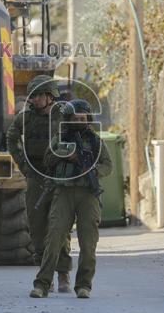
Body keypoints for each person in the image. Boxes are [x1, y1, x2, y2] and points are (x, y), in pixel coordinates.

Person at [30, 100, 112, 299]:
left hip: (87, 194)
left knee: (88, 242)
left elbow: (107, 165)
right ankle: (42, 284)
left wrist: (91, 170)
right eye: (75, 119)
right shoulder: (59, 139)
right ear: (68, 120)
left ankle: (84, 285)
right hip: (63, 192)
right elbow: (47, 160)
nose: (79, 122)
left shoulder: (95, 141)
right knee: (54, 238)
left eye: (82, 119)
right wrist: (65, 156)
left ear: (88, 119)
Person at [6, 75, 73, 292]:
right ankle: (45, 275)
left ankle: (63, 274)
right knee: (36, 227)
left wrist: (70, 165)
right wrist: (24, 165)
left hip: (60, 178)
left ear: (49, 96)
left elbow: (81, 138)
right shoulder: (25, 118)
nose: (33, 100)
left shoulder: (64, 117)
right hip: (36, 177)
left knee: (59, 227)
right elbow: (11, 137)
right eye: (31, 96)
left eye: (37, 96)